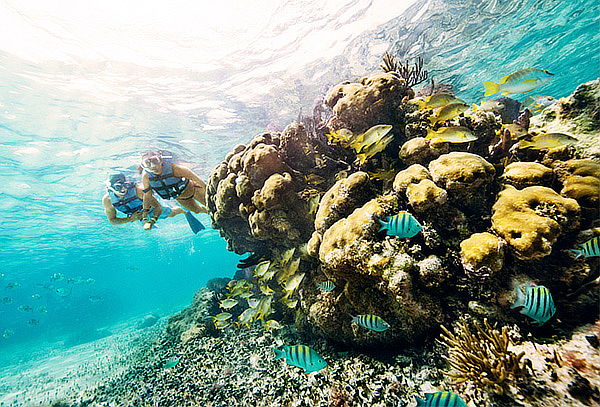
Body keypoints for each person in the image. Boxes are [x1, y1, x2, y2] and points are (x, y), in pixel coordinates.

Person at [139, 150, 208, 232]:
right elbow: (147, 195)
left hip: (194, 189)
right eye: (147, 163)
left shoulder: (175, 169)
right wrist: (145, 212)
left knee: (210, 204)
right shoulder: (146, 176)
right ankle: (209, 212)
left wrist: (210, 191)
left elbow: (198, 180)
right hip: (180, 198)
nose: (152, 166)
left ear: (161, 160)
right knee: (197, 210)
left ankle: (216, 213)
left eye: (155, 161)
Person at [102, 173, 188, 230]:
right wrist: (130, 219)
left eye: (125, 185)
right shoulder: (108, 200)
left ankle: (182, 210)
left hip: (151, 209)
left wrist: (152, 220)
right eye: (118, 187)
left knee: (172, 214)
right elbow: (112, 220)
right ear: (110, 188)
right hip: (137, 216)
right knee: (149, 229)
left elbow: (158, 206)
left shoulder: (139, 190)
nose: (124, 189)